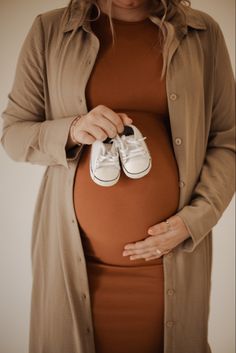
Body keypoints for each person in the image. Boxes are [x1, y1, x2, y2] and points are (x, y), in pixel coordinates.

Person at [0, 0, 235, 352]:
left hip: (171, 264)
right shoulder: (50, 31)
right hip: (75, 266)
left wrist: (195, 220)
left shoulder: (202, 33)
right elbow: (13, 135)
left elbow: (228, 141)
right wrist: (73, 129)